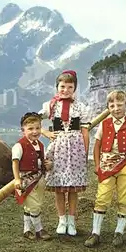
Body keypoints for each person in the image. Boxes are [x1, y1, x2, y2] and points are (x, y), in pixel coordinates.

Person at [84, 90, 126, 248]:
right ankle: (95, 233)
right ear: (108, 108)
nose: (116, 108)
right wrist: (97, 164)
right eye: (112, 105)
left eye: (120, 104)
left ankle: (119, 232)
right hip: (107, 163)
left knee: (125, 197)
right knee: (102, 196)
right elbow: (97, 146)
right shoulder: (104, 125)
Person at [39, 70, 90, 236]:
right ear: (57, 87)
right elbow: (32, 120)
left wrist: (85, 152)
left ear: (74, 88)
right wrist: (45, 133)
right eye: (62, 86)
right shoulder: (51, 106)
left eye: (70, 86)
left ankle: (71, 220)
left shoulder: (80, 107)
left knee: (73, 189)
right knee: (60, 188)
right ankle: (61, 219)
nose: (66, 90)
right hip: (58, 149)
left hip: (76, 149)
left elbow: (85, 132)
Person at [11, 112, 53, 241]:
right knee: (34, 205)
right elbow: (15, 162)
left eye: (37, 128)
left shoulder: (40, 145)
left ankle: (27, 230)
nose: (35, 132)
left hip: (39, 178)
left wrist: (48, 164)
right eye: (30, 129)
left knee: (35, 204)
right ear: (23, 130)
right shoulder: (19, 145)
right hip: (26, 180)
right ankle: (39, 229)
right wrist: (17, 179)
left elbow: (41, 162)